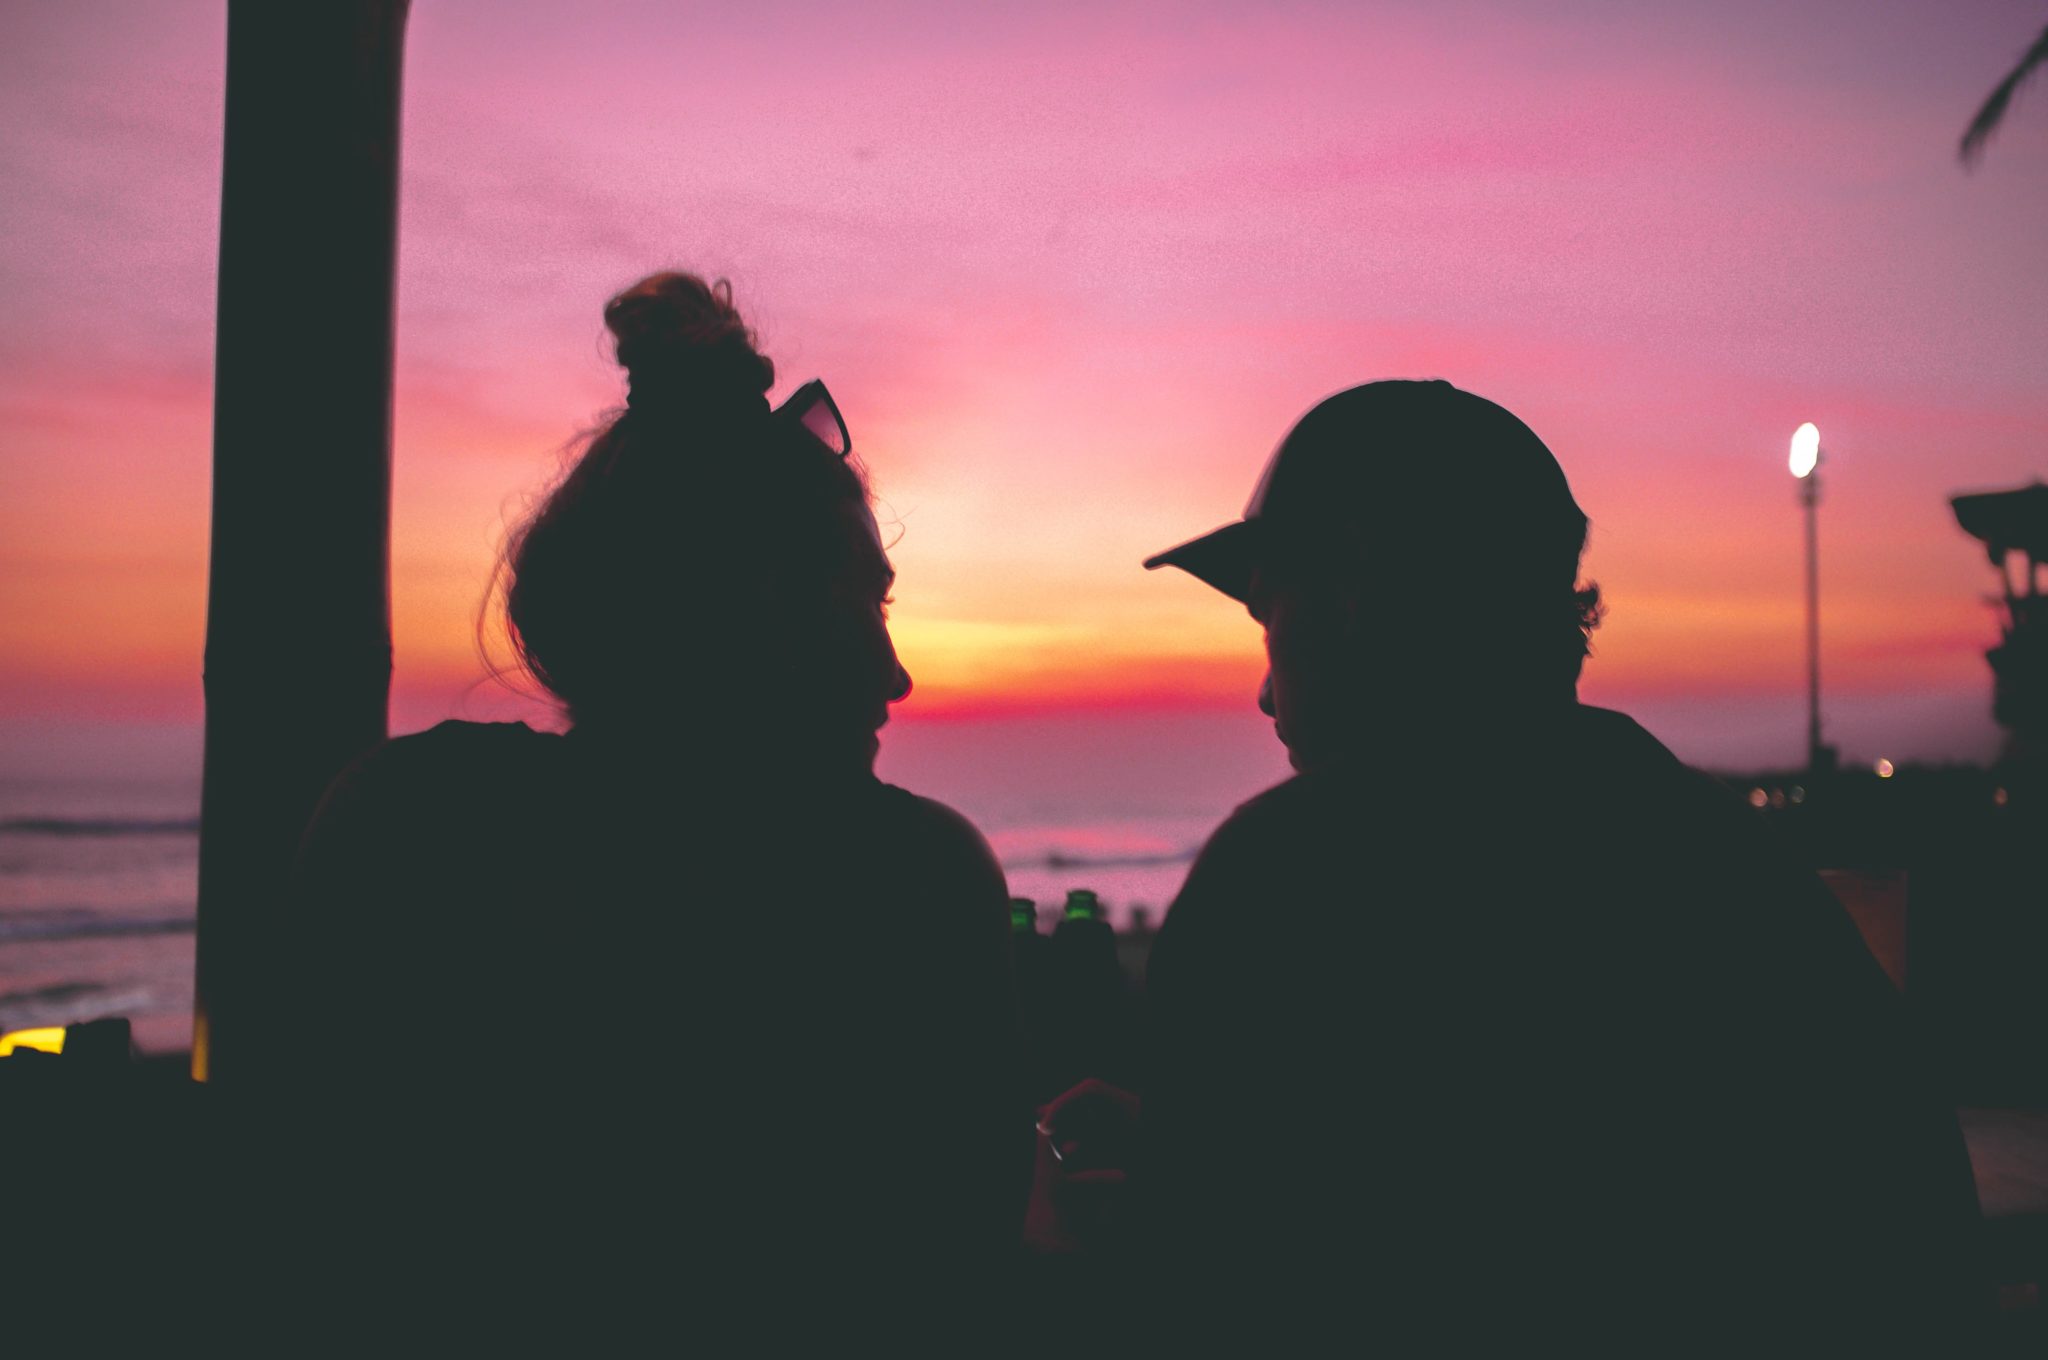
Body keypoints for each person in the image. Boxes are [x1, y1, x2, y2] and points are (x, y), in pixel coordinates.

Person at [1048, 380, 1984, 1347]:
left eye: (1268, 619)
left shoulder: (1288, 874)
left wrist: (1134, 1206)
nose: (1261, 690)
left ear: (1349, 593)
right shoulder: (1718, 850)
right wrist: (1194, 1151)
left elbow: (1216, 1297)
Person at [285, 273, 1028, 1306]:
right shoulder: (912, 880)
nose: (893, 670)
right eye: (856, 605)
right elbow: (955, 1267)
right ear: (739, 615)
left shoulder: (402, 823)